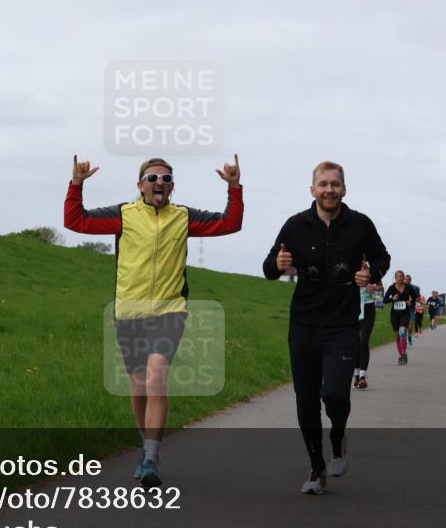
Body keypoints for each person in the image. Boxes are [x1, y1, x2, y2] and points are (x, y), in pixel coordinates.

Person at [65, 154, 243, 488]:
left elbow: (229, 224)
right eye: (152, 178)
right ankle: (145, 441)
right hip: (129, 313)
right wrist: (77, 184)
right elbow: (76, 222)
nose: (158, 183)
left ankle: (150, 456)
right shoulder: (123, 215)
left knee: (157, 374)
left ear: (172, 185)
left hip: (169, 310)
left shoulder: (184, 218)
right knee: (138, 385)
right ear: (140, 186)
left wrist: (234, 188)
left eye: (165, 178)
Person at [263, 161, 390, 495]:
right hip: (304, 324)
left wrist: (371, 274)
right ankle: (316, 467)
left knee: (334, 393)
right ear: (312, 189)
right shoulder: (295, 225)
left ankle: (337, 438)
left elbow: (382, 258)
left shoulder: (360, 224)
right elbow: (269, 268)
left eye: (335, 184)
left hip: (343, 324)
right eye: (323, 184)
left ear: (344, 189)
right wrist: (277, 265)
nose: (329, 189)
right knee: (305, 399)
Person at [353, 278, 383, 389]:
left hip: (368, 307)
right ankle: (356, 375)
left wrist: (375, 287)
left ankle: (362, 376)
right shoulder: (350, 266)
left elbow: (380, 287)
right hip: (352, 308)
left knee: (363, 341)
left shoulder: (373, 270)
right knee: (355, 343)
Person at [383, 271, 415, 365]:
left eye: (401, 276)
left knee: (402, 332)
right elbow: (385, 300)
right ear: (395, 277)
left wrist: (410, 302)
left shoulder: (408, 287)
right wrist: (392, 299)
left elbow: (415, 298)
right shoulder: (391, 288)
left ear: (403, 277)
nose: (399, 278)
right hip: (395, 314)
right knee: (397, 337)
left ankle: (404, 352)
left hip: (405, 313)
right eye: (398, 276)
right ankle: (401, 355)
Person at [405, 274, 421, 344]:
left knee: (410, 324)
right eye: (405, 279)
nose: (407, 280)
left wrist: (412, 299)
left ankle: (409, 335)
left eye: (408, 279)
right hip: (403, 308)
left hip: (411, 307)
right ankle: (403, 337)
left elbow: (418, 298)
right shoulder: (400, 287)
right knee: (403, 324)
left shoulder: (415, 288)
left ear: (410, 280)